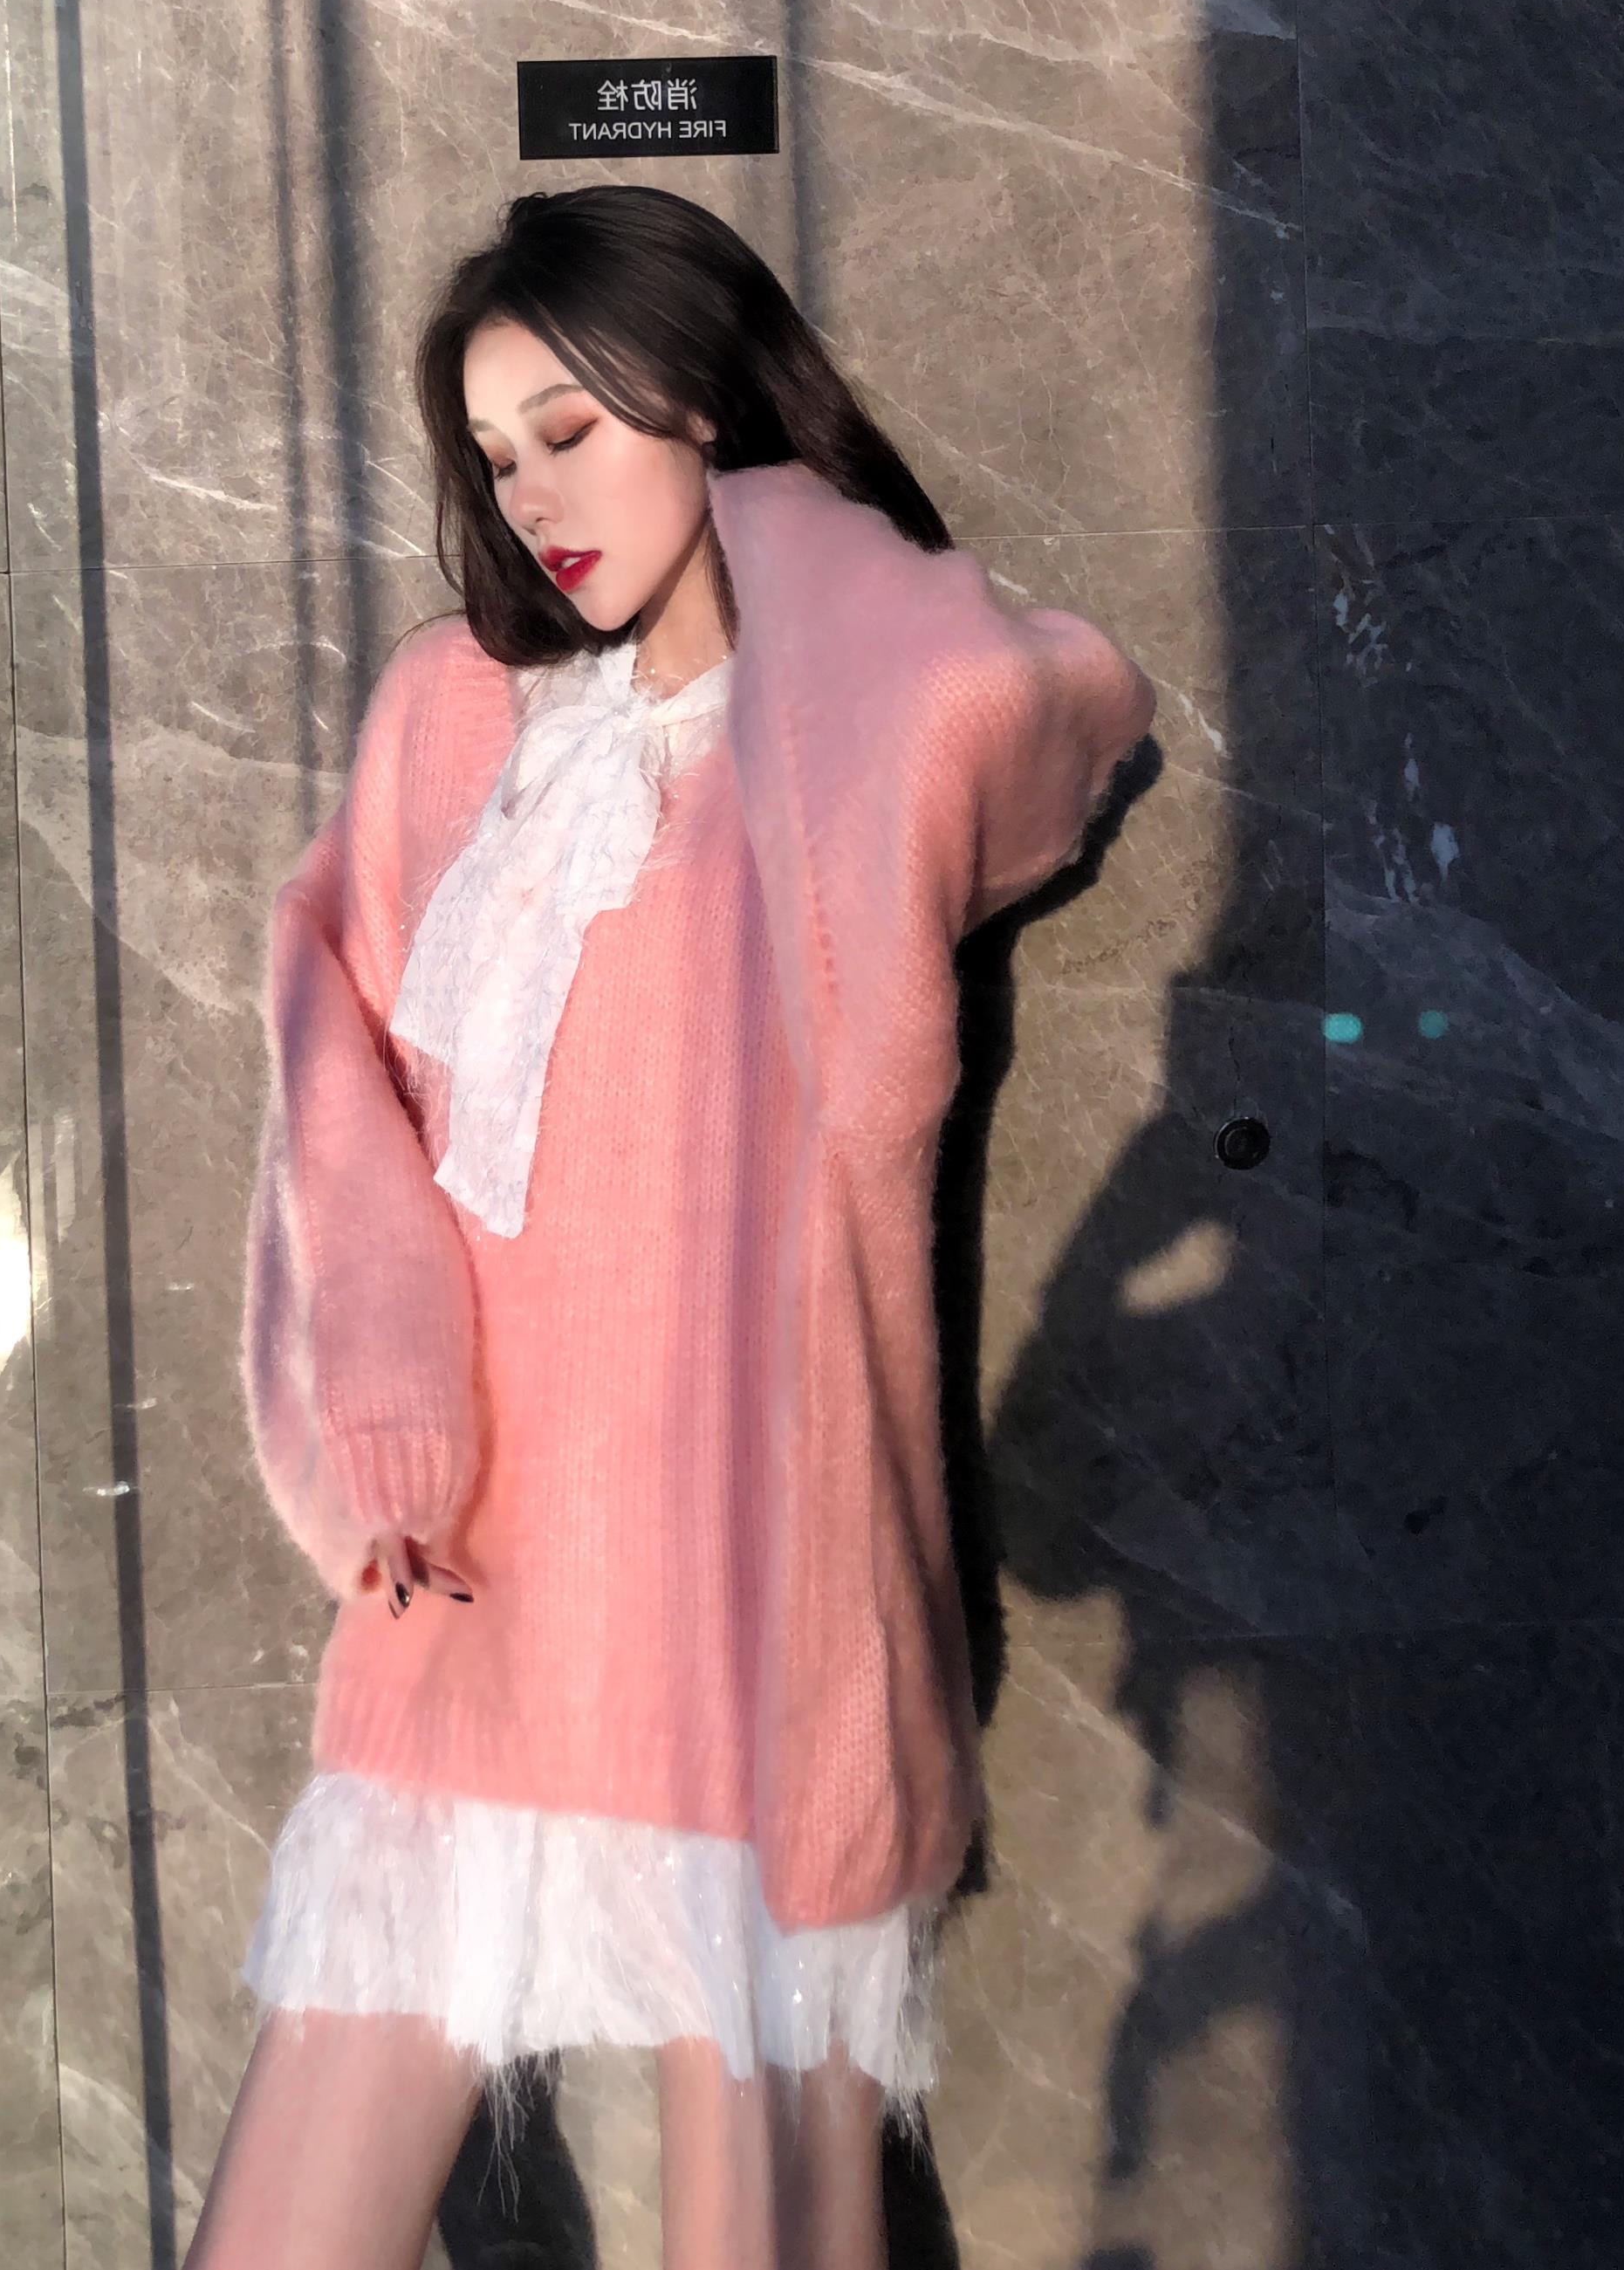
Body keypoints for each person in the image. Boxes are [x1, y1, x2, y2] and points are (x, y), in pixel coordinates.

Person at [188, 184, 1158, 2270]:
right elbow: (330, 1072)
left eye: (572, 428)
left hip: (764, 1596)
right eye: (494, 455)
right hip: (477, 1572)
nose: (530, 496)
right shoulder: (456, 713)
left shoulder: (868, 728)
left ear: (706, 402)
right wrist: (385, 1429)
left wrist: (784, 529)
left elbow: (1071, 706)